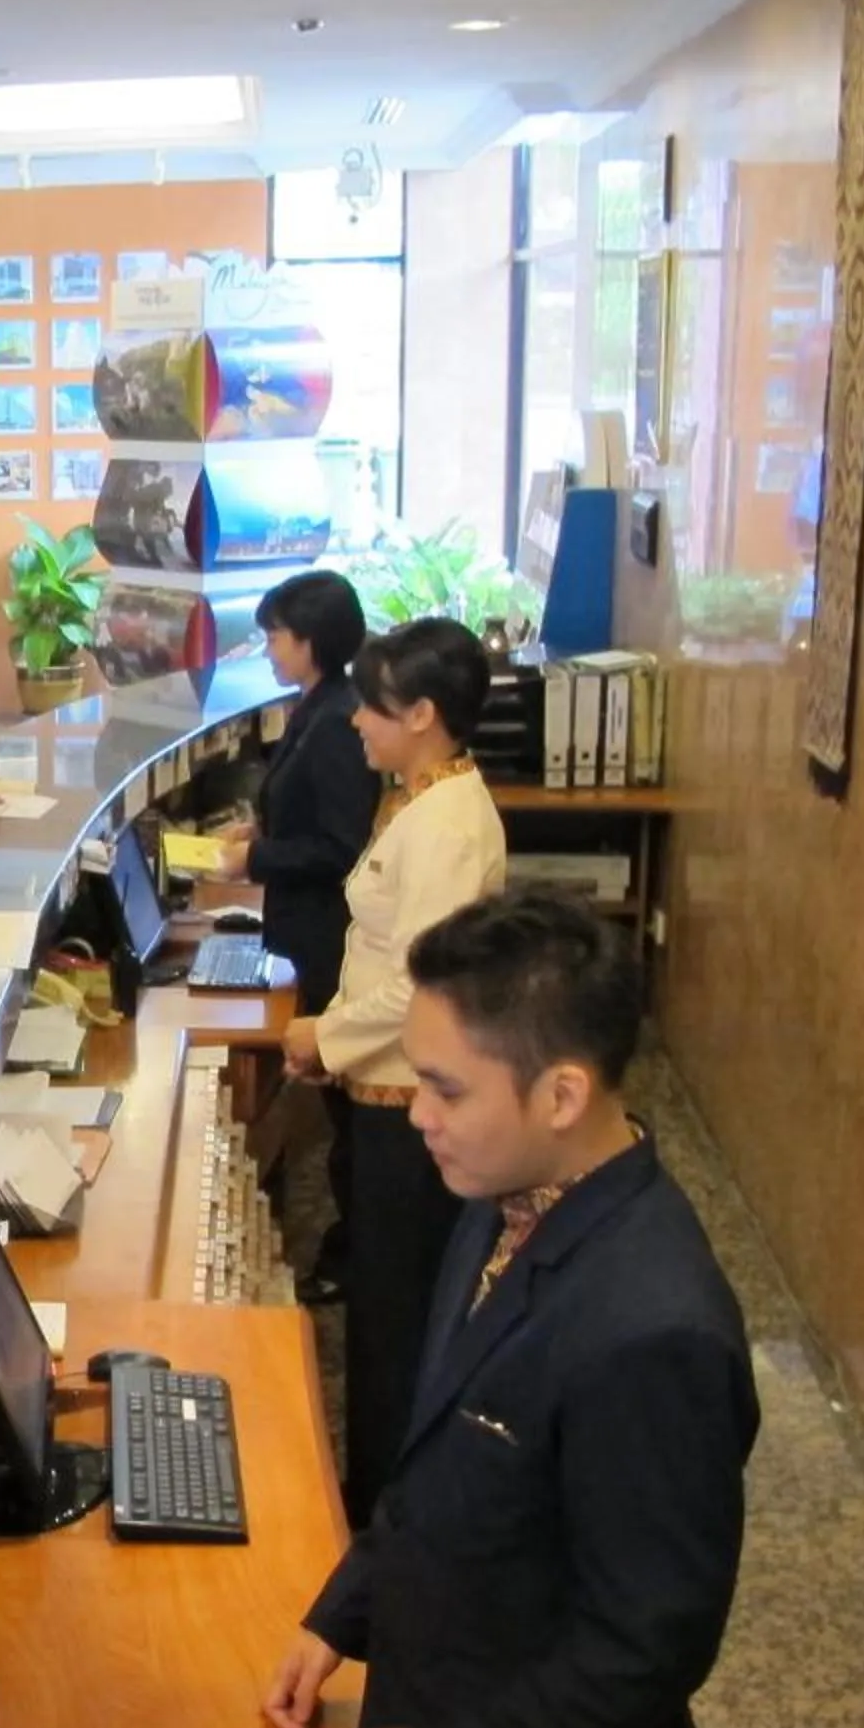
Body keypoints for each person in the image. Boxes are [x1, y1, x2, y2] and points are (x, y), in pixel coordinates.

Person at [264, 890, 755, 1728]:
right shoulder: (502, 1200)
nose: (416, 1112)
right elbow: (444, 1457)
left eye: (444, 1087)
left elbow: (646, 1645)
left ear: (562, 1092)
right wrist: (343, 1613)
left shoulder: (655, 1329)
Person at [282, 616, 506, 1527]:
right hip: (379, 1082)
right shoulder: (417, 797)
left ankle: (385, 1509)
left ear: (421, 715)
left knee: (398, 1315)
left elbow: (416, 978)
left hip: (411, 1103)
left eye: (372, 708)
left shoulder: (449, 824)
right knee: (381, 1305)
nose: (355, 722)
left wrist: (325, 1036)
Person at [216, 570, 380, 1303]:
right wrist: (262, 832)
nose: (269, 649)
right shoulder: (315, 706)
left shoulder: (340, 722)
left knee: (347, 1111)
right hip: (302, 930)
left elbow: (341, 846)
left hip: (328, 937)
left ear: (310, 641)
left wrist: (257, 859)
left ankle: (358, 1253)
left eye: (276, 636)